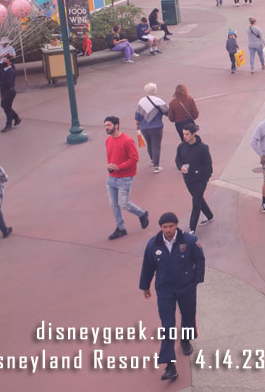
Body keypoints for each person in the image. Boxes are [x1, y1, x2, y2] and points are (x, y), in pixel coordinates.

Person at [139, 211, 205, 382]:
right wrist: (145, 287)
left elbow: (200, 259)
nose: (168, 230)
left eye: (171, 226)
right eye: (164, 227)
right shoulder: (153, 244)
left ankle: (185, 340)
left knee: (188, 316)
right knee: (167, 326)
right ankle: (169, 365)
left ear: (176, 225)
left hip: (186, 287)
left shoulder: (189, 241)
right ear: (161, 228)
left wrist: (196, 280)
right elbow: (147, 266)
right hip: (165, 291)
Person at [104, 116, 150, 240]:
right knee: (114, 205)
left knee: (123, 203)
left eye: (108, 125)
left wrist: (119, 167)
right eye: (105, 126)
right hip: (112, 177)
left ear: (116, 125)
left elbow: (135, 158)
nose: (106, 128)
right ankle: (121, 228)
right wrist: (110, 167)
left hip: (125, 178)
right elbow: (111, 157)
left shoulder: (127, 140)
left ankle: (142, 214)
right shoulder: (108, 140)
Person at [176, 122, 214, 232]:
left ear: (193, 134)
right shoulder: (181, 147)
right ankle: (209, 215)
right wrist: (180, 167)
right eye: (183, 134)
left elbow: (208, 165)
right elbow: (178, 160)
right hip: (188, 179)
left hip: (200, 180)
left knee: (196, 203)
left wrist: (205, 177)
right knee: (198, 199)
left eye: (187, 134)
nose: (184, 136)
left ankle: (192, 229)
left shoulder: (202, 148)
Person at [135, 83, 169, 173]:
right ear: (155, 91)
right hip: (156, 127)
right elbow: (167, 112)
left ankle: (152, 160)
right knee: (156, 145)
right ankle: (157, 166)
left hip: (144, 128)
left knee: (149, 144)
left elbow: (137, 116)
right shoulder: (159, 101)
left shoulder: (141, 101)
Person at [0, 54, 20, 133]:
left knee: (7, 107)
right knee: (4, 105)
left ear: (10, 62)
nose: (4, 61)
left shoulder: (10, 71)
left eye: (5, 60)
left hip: (9, 91)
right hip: (5, 91)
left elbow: (6, 83)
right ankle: (16, 118)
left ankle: (9, 124)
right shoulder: (5, 68)